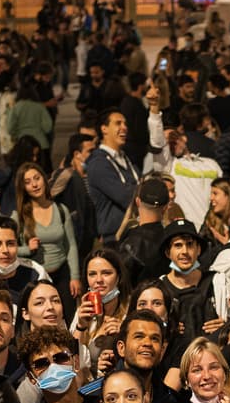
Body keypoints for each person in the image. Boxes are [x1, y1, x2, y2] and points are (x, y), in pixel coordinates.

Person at [14, 162, 80, 303]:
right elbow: (8, 249)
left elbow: (71, 245)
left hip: (62, 275)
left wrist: (75, 277)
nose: (34, 184)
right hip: (34, 277)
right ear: (23, 188)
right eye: (28, 182)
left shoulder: (61, 210)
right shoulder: (19, 215)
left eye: (37, 178)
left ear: (44, 179)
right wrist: (27, 249)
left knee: (68, 314)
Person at [86, 109, 140, 244]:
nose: (124, 127)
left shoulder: (125, 158)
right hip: (115, 238)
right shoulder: (98, 163)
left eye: (125, 124)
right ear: (104, 129)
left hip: (134, 233)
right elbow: (126, 196)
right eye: (118, 123)